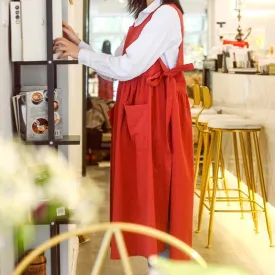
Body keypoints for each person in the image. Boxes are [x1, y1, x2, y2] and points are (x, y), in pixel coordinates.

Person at [54, 0, 194, 261]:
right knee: (146, 193)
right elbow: (117, 64)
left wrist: (79, 53)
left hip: (158, 117)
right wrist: (81, 45)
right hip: (146, 113)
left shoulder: (165, 15)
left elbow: (127, 67)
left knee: (159, 192)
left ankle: (162, 264)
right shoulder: (146, 15)